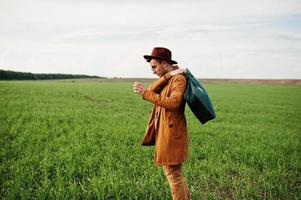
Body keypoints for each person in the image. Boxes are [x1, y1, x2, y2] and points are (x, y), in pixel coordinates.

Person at [133, 47, 190, 200]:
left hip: (172, 135)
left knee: (174, 174)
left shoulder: (179, 79)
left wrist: (146, 93)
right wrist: (167, 76)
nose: (152, 71)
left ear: (164, 63)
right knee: (174, 174)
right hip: (166, 134)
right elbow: (151, 89)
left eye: (154, 67)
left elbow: (174, 103)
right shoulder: (170, 78)